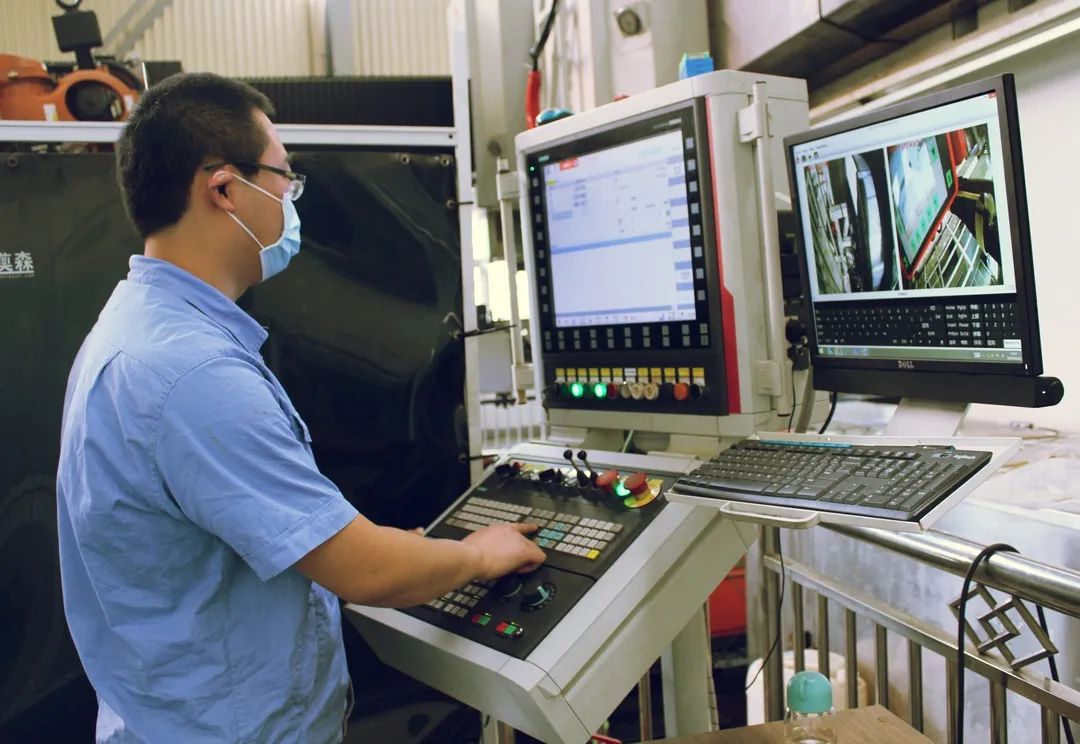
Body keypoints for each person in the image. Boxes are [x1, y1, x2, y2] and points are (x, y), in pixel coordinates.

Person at [56, 72, 546, 744]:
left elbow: (267, 542)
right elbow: (363, 571)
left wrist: (399, 549)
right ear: (224, 188)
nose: (291, 199)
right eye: (285, 177)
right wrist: (478, 556)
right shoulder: (192, 374)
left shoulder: (135, 332)